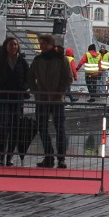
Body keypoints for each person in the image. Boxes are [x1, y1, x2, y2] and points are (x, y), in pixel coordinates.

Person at [26, 34, 74, 169]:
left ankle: (61, 158)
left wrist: (59, 91)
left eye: (44, 45)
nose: (42, 47)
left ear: (51, 44)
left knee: (60, 129)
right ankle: (49, 156)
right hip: (42, 100)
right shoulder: (38, 60)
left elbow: (68, 78)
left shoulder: (61, 59)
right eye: (40, 45)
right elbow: (30, 77)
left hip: (57, 100)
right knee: (42, 128)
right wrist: (35, 91)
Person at [0, 37, 29, 167]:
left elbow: (28, 78)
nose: (14, 47)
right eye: (11, 44)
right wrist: (0, 87)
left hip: (17, 99)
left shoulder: (22, 62)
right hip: (3, 98)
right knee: (4, 125)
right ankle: (1, 155)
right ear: (6, 46)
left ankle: (10, 156)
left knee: (14, 127)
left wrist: (22, 88)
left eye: (16, 44)